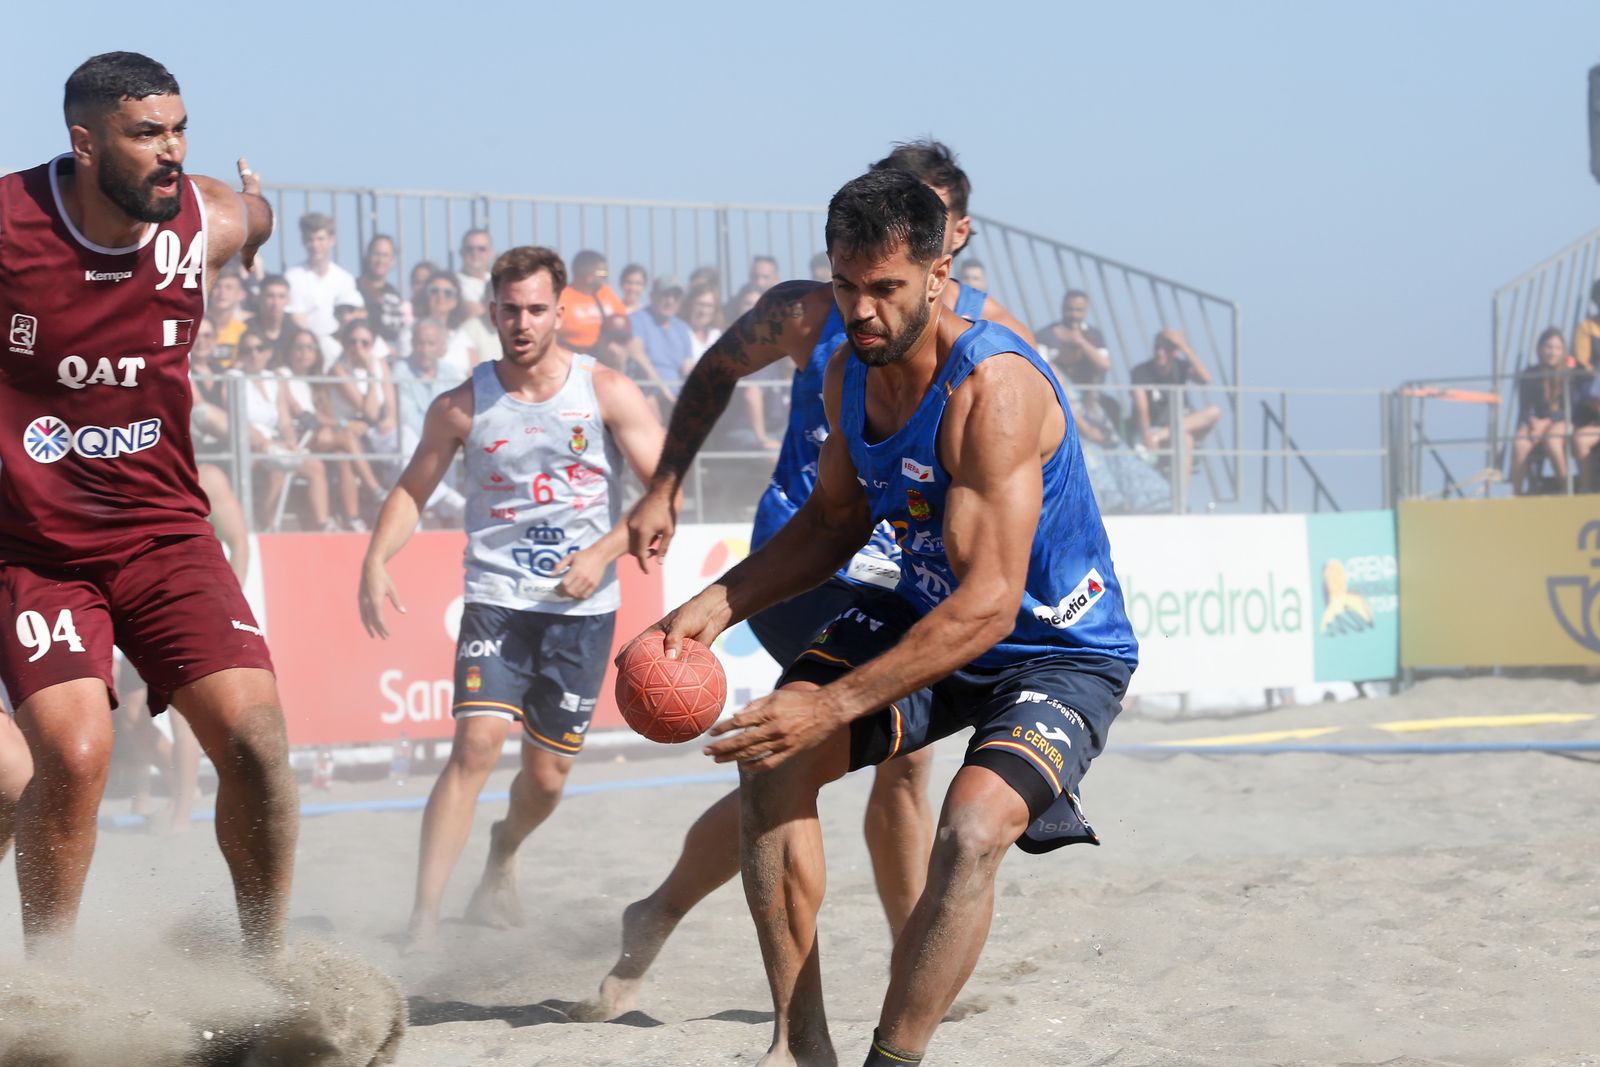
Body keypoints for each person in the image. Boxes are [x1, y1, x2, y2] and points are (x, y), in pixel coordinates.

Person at [632, 170, 1136, 1065]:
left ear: (941, 274)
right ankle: (800, 1043)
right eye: (845, 285)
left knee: (972, 827)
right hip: (925, 610)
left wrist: (825, 705)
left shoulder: (995, 389)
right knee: (771, 768)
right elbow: (830, 525)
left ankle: (891, 1057)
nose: (860, 310)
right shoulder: (844, 375)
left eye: (885, 289)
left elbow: (988, 606)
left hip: (1053, 646)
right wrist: (715, 602)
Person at [578, 141, 1038, 1022]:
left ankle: (673, 909)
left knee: (858, 762)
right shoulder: (809, 313)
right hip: (805, 555)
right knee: (860, 758)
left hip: (906, 569)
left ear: (952, 236)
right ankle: (896, 962)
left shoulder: (991, 339)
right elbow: (714, 369)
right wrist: (666, 484)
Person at [0, 52, 296, 957]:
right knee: (79, 758)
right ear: (85, 144)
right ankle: (49, 987)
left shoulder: (201, 213)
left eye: (178, 130)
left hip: (166, 534)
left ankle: (264, 967)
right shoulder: (9, 226)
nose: (170, 152)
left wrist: (257, 229)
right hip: (38, 550)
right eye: (146, 135)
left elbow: (256, 215)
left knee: (257, 742)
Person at [358, 246, 666, 949]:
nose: (521, 322)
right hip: (496, 597)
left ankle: (502, 852)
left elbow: (664, 490)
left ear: (560, 311)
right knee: (475, 744)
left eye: (535, 309)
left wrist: (603, 550)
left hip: (582, 613)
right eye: (509, 309)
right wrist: (376, 558)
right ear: (490, 311)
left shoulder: (607, 391)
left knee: (548, 777)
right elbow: (411, 489)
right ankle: (424, 921)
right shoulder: (462, 405)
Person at [1129, 327, 1221, 480]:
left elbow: (1205, 378)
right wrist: (1146, 433)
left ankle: (1180, 500)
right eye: (1158, 348)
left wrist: (1184, 347)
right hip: (1153, 428)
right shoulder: (1141, 371)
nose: (1160, 353)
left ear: (1175, 351)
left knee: (1214, 411)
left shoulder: (1181, 367)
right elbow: (1141, 406)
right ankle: (1180, 500)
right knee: (1186, 439)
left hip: (1173, 428)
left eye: (1166, 348)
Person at [285, 210, 359, 366]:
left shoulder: (345, 279)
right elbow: (297, 319)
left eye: (320, 239)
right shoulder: (292, 277)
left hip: (340, 351)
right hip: (306, 353)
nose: (315, 245)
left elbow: (351, 319)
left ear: (332, 240)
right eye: (310, 239)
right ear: (303, 241)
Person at [1510, 327, 1577, 494]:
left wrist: (1547, 422)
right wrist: (1534, 422)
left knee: (1552, 440)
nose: (1552, 352)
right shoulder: (1529, 374)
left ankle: (1566, 487)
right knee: (1520, 443)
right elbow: (1525, 407)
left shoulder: (1569, 375)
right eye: (1548, 347)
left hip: (1562, 421)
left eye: (1557, 348)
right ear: (1540, 349)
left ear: (1563, 351)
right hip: (1535, 422)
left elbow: (1570, 408)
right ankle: (1517, 493)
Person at [455, 227, 494, 318]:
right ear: (461, 252)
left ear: (491, 253)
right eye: (469, 249)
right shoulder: (455, 282)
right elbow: (475, 312)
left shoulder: (497, 280)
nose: (475, 253)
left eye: (481, 249)